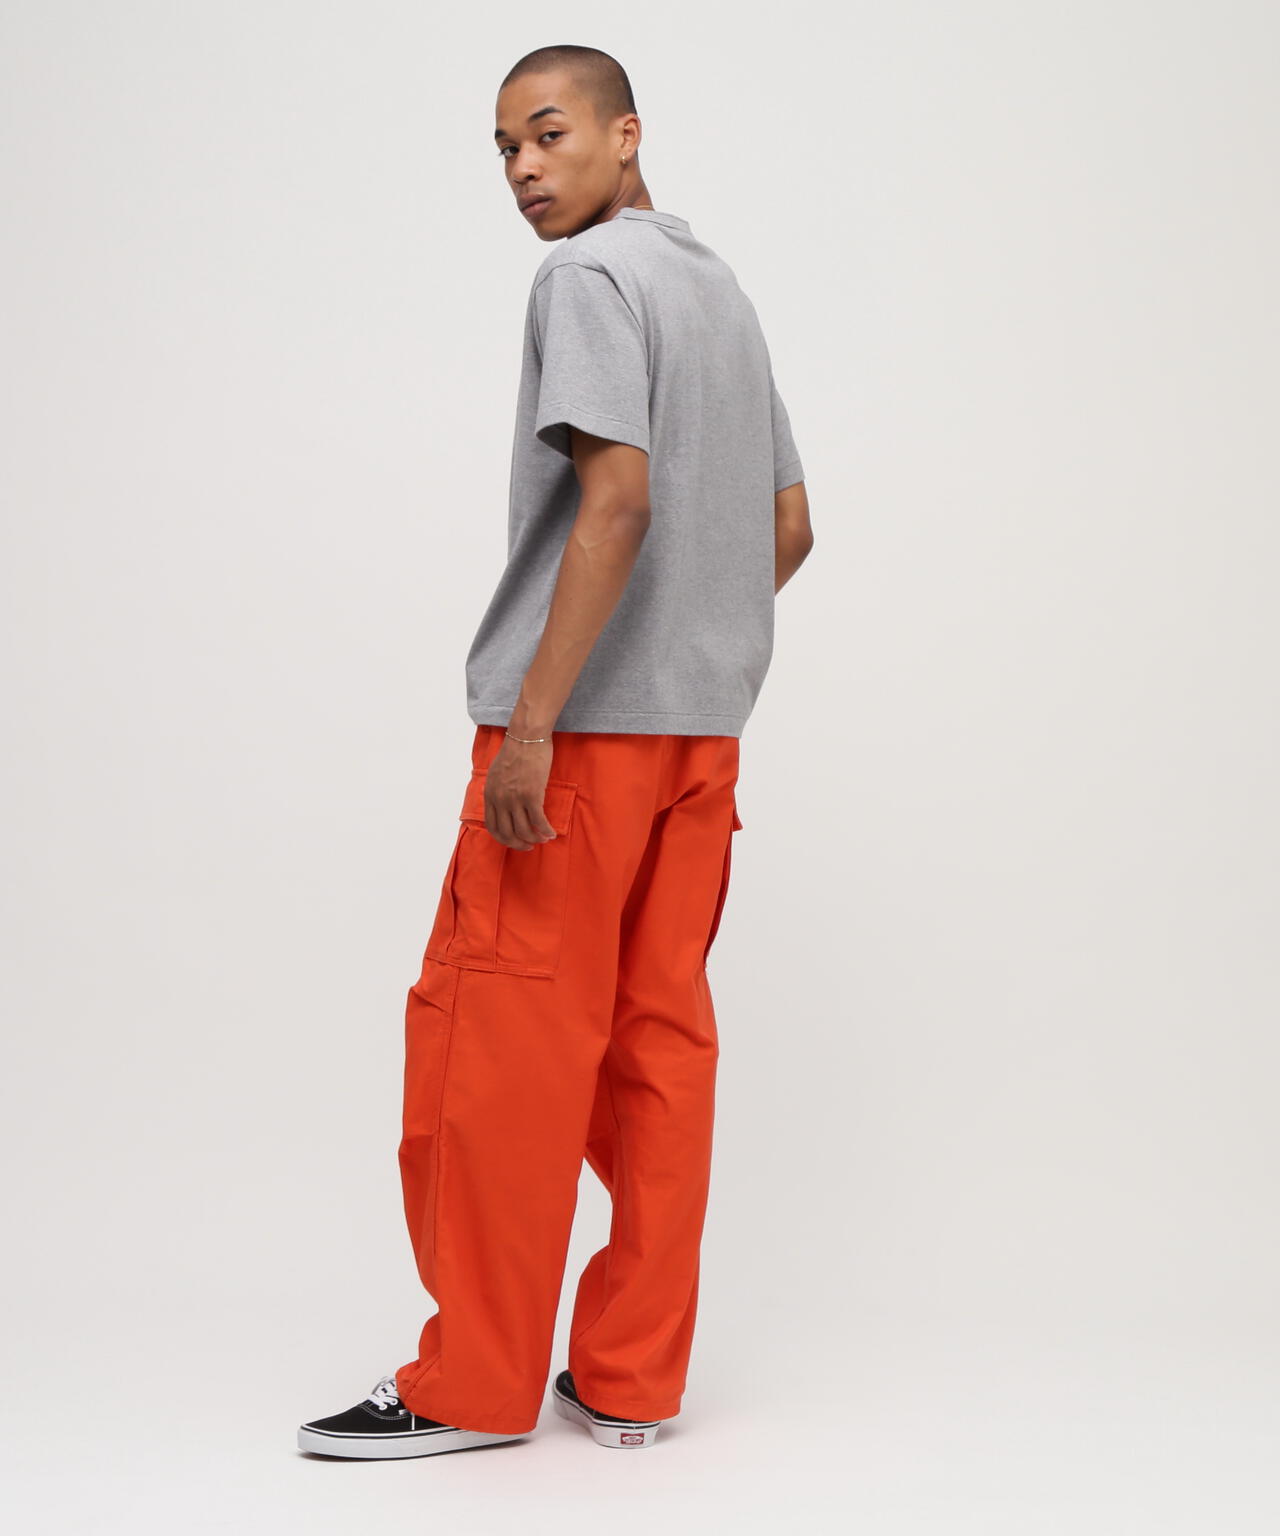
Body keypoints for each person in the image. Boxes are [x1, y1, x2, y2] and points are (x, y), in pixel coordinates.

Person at [298, 42, 813, 1460]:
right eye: (505, 150)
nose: (525, 170)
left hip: (577, 742)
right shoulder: (718, 289)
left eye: (548, 135)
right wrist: (690, 648)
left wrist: (538, 719)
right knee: (658, 1048)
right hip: (699, 747)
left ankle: (472, 1384)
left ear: (625, 134)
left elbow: (619, 500)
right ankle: (632, 1379)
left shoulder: (588, 278)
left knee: (496, 1050)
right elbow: (786, 527)